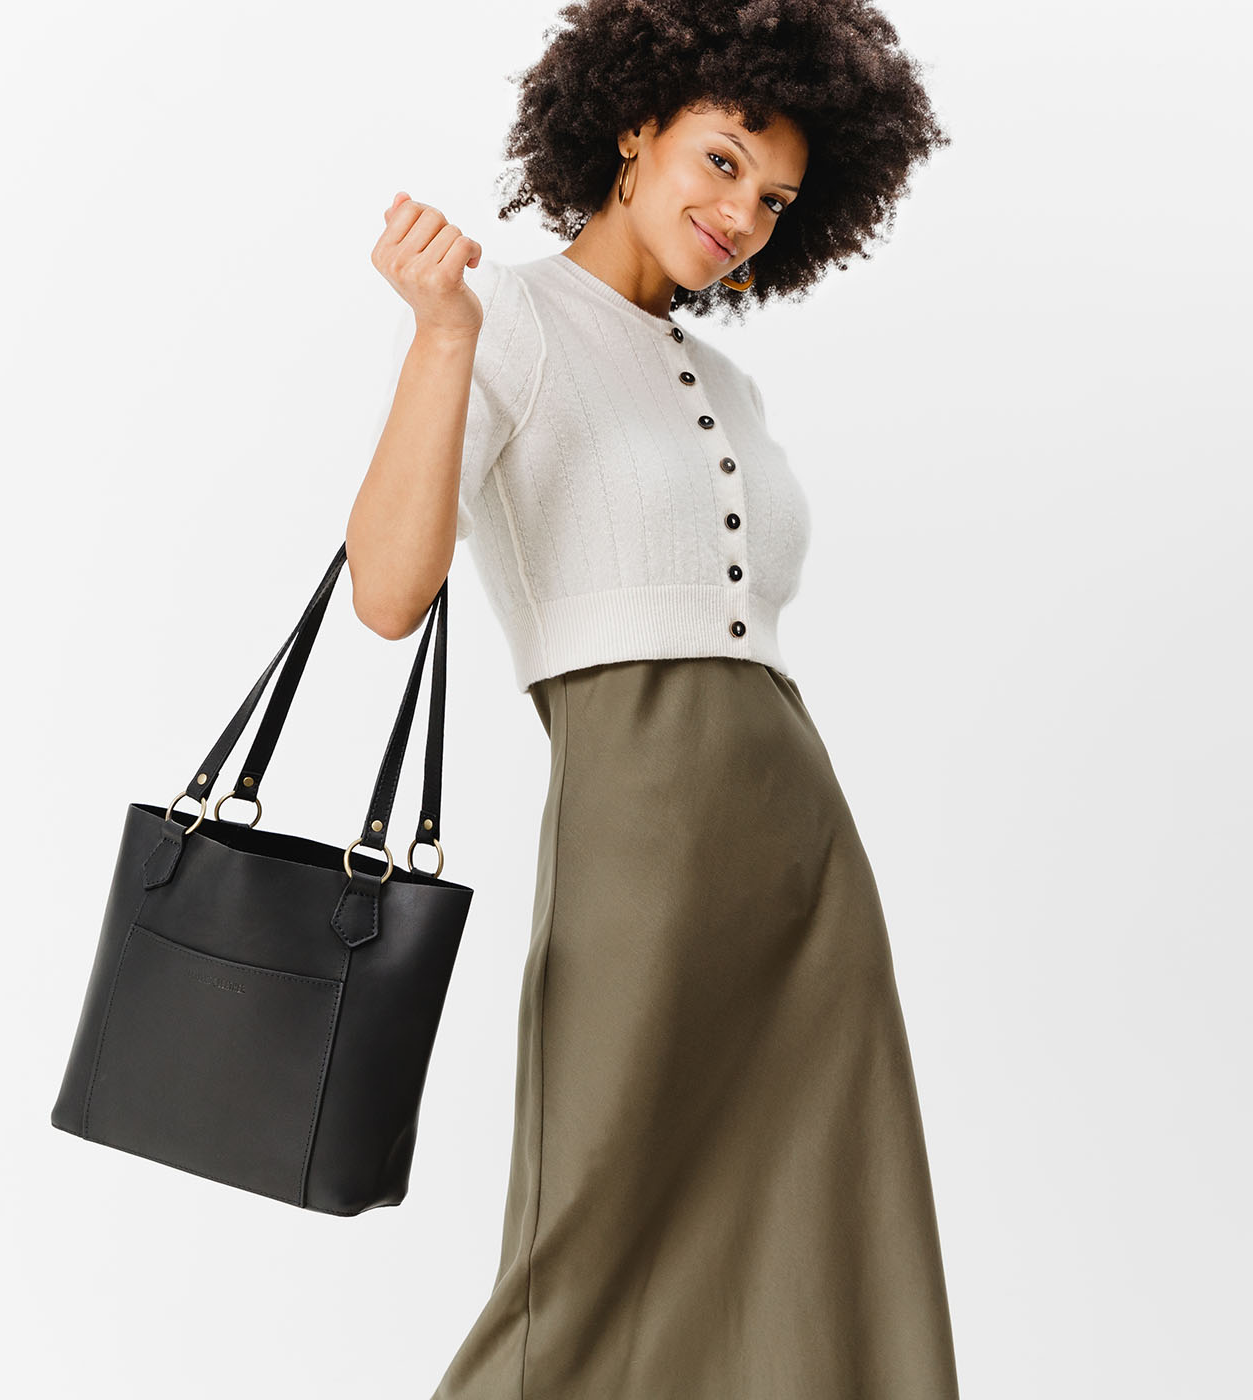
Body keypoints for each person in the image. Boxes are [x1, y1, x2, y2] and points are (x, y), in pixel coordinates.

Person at [346, 2, 958, 1395]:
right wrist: (440, 334)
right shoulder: (501, 317)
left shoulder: (731, 384)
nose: (744, 215)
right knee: (584, 1252)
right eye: (724, 161)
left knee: (818, 1231)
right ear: (633, 127)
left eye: (777, 199)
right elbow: (386, 592)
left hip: (806, 869)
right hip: (638, 840)